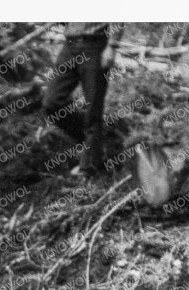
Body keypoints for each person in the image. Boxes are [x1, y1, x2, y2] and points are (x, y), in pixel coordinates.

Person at [42, 23, 115, 178]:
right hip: (70, 44)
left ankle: (89, 168)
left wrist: (112, 46)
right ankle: (94, 143)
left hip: (95, 45)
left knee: (93, 107)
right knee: (52, 101)